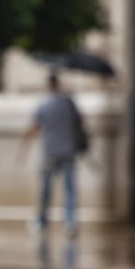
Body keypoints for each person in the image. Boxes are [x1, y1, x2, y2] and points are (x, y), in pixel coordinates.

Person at [26, 73, 85, 234]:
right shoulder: (69, 103)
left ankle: (42, 220)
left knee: (46, 189)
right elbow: (80, 122)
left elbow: (34, 126)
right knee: (69, 189)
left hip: (50, 151)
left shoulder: (43, 105)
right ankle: (69, 221)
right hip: (68, 150)